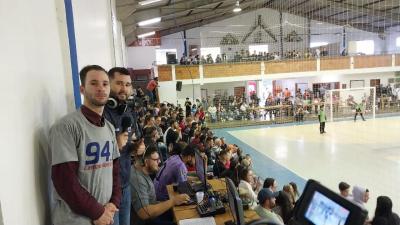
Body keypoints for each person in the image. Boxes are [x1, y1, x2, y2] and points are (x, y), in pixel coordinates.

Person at [50, 65, 125, 225]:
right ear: (82, 89)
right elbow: (65, 180)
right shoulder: (66, 127)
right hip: (77, 219)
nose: (101, 88)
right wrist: (98, 213)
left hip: (106, 215)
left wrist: (114, 202)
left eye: (105, 84)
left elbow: (115, 170)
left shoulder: (109, 128)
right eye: (94, 83)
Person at [104, 67, 138, 225]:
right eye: (119, 83)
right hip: (107, 192)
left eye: (127, 84)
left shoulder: (127, 113)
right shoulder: (101, 113)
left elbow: (127, 146)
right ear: (108, 84)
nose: (124, 88)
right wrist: (115, 146)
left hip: (125, 183)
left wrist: (135, 148)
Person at [130, 145, 190, 225]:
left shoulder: (144, 172)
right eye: (156, 160)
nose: (159, 162)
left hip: (153, 213)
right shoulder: (138, 179)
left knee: (181, 212)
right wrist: (173, 201)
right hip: (148, 221)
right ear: (146, 161)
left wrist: (173, 201)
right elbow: (144, 213)